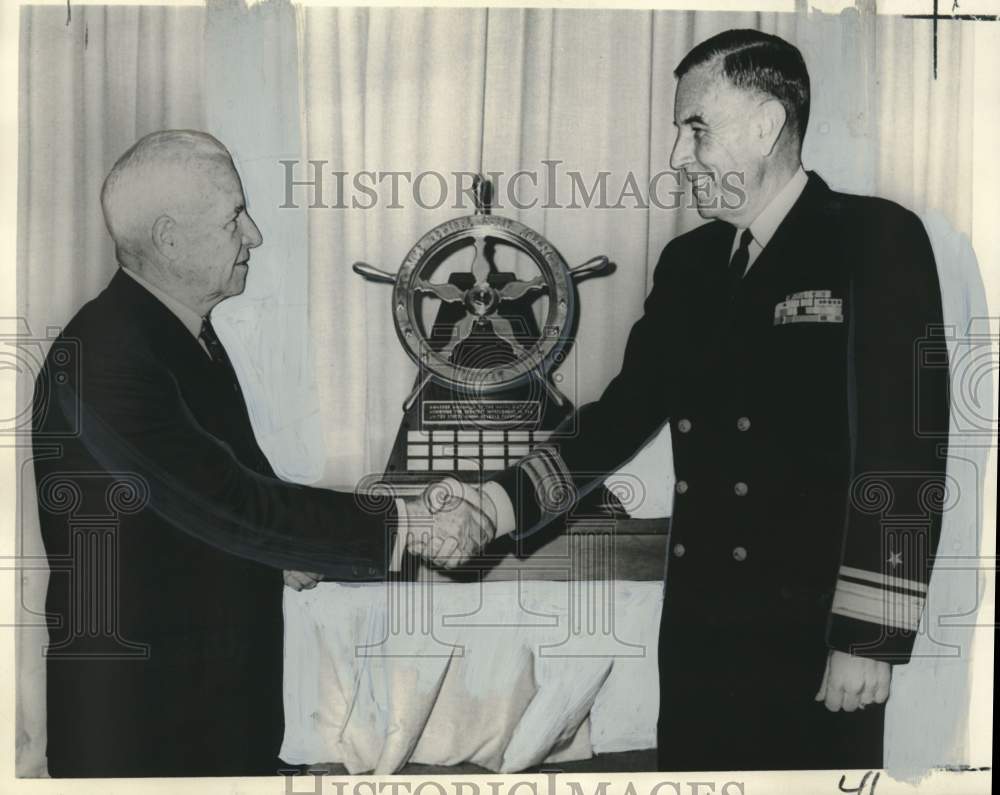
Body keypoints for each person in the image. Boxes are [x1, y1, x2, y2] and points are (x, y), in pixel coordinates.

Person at [422, 29, 951, 771]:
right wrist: (495, 505)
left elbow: (905, 450)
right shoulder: (690, 263)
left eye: (695, 128)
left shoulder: (873, 239)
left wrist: (868, 637)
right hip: (702, 630)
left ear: (765, 125)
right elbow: (613, 420)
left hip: (811, 639)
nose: (678, 156)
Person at [32, 130, 415, 777]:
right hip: (143, 738)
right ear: (171, 238)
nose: (254, 235)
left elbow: (227, 485)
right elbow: (231, 503)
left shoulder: (174, 335)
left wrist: (292, 551)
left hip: (205, 719)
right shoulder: (107, 356)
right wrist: (404, 524)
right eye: (233, 216)